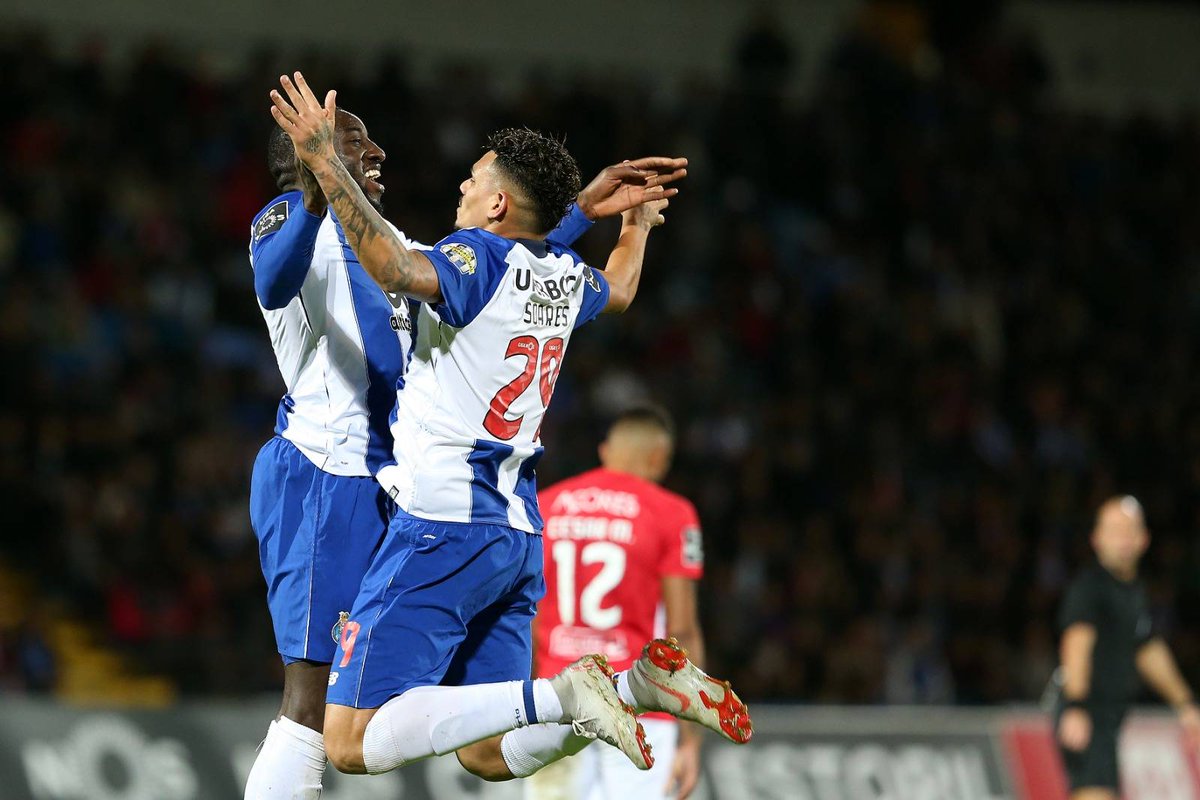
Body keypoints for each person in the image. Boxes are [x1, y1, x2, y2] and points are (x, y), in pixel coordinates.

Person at [269, 71, 751, 782]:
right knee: (490, 754)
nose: (461, 189)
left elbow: (396, 267)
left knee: (345, 741)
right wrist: (634, 227)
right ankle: (631, 688)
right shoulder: (564, 274)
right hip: (517, 535)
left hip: (440, 524)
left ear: (496, 203)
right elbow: (620, 289)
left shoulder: (473, 257)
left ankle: (562, 694)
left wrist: (323, 162)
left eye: (472, 180)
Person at [523, 405, 711, 800]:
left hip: (557, 697)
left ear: (605, 451)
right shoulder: (672, 514)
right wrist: (690, 738)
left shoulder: (547, 504)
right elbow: (681, 629)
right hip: (639, 702)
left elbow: (528, 612)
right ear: (659, 458)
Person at [1055, 495, 1200, 799]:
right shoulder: (1091, 587)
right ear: (1096, 539)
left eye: (1129, 530)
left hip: (1108, 718)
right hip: (1089, 713)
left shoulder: (1134, 593)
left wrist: (1185, 703)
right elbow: (1076, 645)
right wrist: (1076, 705)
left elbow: (1148, 650)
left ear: (1143, 539)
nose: (1123, 539)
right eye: (1114, 531)